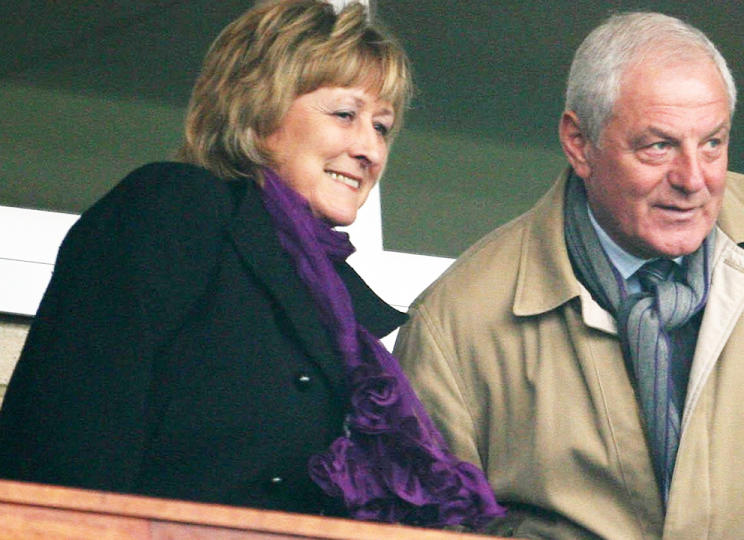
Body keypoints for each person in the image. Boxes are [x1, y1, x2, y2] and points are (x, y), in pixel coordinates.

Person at [393, 11, 744, 539]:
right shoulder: (455, 324)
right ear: (579, 143)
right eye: (658, 146)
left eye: (713, 142)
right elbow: (429, 526)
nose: (693, 179)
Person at [0, 0, 503, 527]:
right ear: (258, 109)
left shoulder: (330, 290)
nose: (369, 150)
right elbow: (66, 443)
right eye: (345, 115)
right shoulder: (175, 208)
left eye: (381, 127)